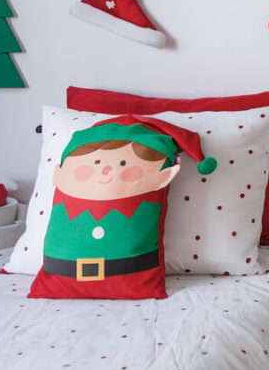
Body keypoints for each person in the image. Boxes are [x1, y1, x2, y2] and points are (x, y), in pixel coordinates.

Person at [28, 115, 215, 300]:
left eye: (123, 163)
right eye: (96, 162)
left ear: (165, 175)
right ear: (59, 174)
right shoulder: (67, 208)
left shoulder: (138, 207)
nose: (105, 170)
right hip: (63, 266)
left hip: (130, 266)